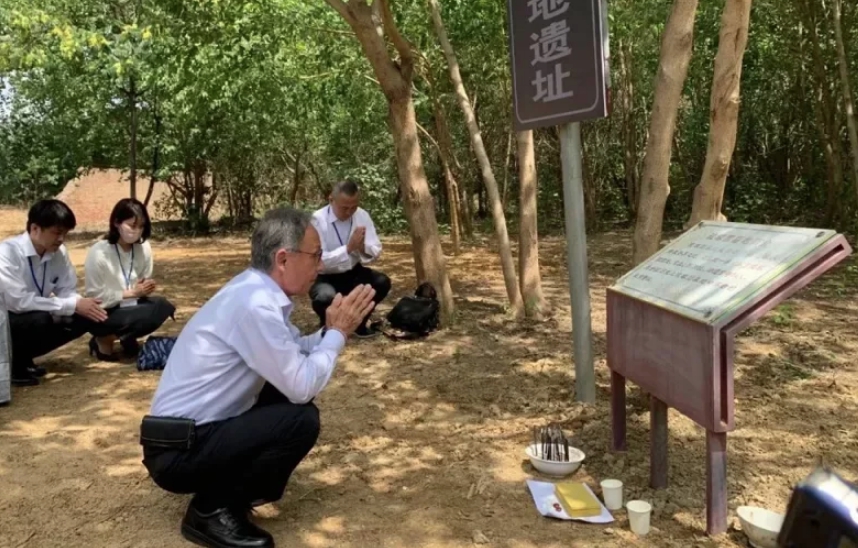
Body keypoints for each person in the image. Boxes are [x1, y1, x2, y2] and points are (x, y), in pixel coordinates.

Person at [141, 207, 376, 548]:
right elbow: (301, 385)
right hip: (178, 452)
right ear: (283, 259)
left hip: (187, 438)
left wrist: (332, 330)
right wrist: (336, 334)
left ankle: (227, 495)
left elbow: (294, 349)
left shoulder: (253, 291)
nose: (320, 266)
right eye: (315, 255)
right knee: (299, 418)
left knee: (288, 403)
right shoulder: (256, 304)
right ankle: (212, 509)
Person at [0, 199, 108, 386]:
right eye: (57, 233)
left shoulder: (59, 253)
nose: (61, 239)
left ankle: (24, 358)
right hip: (8, 319)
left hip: (35, 314)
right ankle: (15, 363)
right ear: (35, 228)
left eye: (65, 234)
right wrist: (70, 305)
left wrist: (84, 305)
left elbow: (67, 289)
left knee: (84, 316)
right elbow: (18, 302)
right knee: (39, 319)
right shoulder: (7, 253)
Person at [84, 198, 176, 360]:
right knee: (104, 315)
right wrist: (131, 292)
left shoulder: (144, 247)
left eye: (141, 226)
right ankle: (104, 339)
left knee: (162, 306)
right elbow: (95, 298)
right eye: (132, 226)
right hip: (105, 311)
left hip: (132, 305)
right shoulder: (99, 252)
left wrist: (144, 288)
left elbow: (142, 281)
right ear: (116, 223)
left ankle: (126, 336)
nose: (137, 231)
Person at [310, 179, 391, 337]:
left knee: (382, 282)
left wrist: (361, 247)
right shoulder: (317, 220)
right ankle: (329, 325)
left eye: (353, 207)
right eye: (344, 208)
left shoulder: (362, 215)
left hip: (353, 271)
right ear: (331, 200)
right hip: (325, 276)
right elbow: (318, 260)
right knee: (324, 297)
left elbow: (375, 251)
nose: (349, 212)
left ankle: (359, 324)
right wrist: (348, 248)